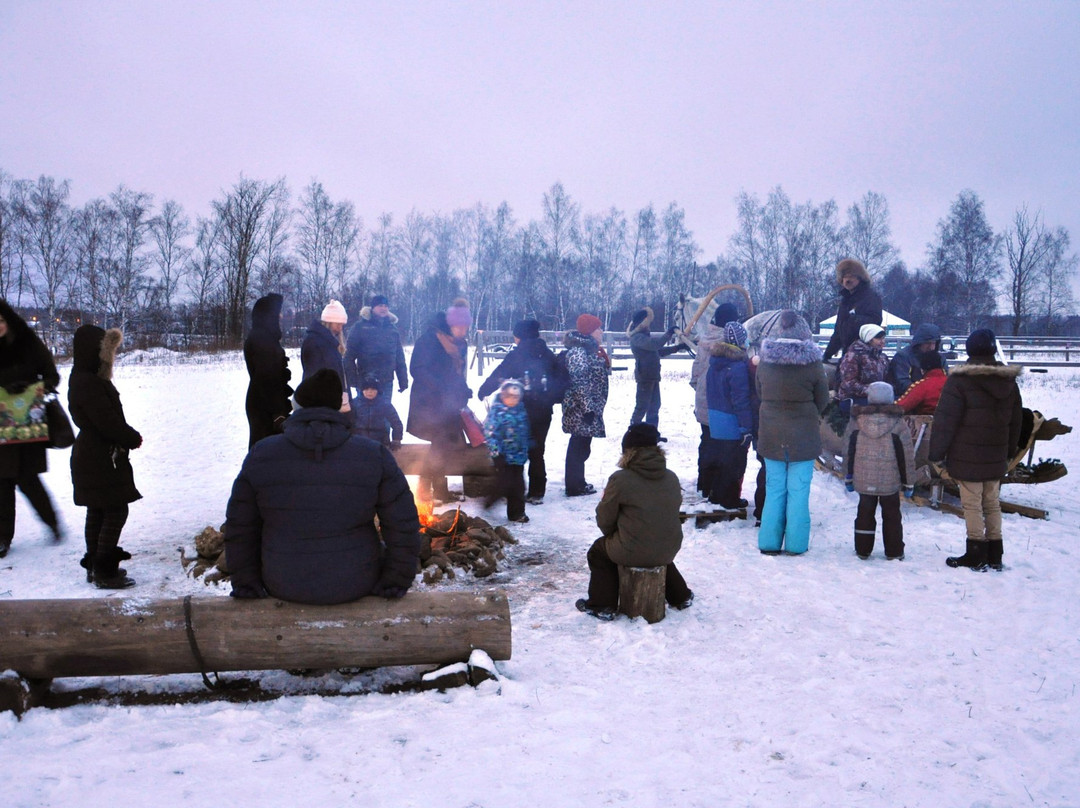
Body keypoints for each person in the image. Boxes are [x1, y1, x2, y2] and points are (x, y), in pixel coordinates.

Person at [225, 368, 421, 604]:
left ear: (297, 409)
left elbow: (240, 526)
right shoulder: (373, 454)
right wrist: (395, 580)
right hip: (357, 580)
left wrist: (246, 583)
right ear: (339, 410)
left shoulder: (262, 454)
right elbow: (403, 524)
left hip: (283, 581)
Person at [575, 423, 693, 620]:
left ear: (627, 451)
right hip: (669, 546)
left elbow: (605, 518)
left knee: (599, 552)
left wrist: (614, 534)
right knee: (653, 547)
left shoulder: (620, 479)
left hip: (634, 548)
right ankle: (680, 595)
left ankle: (602, 605)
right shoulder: (671, 477)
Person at [928, 328, 1022, 571]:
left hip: (967, 455)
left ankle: (976, 553)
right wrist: (1009, 451)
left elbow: (945, 421)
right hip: (996, 455)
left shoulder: (959, 381)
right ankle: (995, 554)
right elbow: (1016, 420)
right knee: (992, 503)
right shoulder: (1008, 381)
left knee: (972, 504)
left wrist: (936, 454)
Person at [67, 325, 143, 588]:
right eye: (107, 351)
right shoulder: (88, 382)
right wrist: (131, 437)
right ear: (95, 352)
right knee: (115, 509)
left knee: (98, 508)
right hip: (99, 456)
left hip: (93, 455)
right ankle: (103, 569)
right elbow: (106, 421)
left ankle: (95, 566)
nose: (110, 357)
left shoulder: (84, 377)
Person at [755, 311, 830, 555]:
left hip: (771, 433)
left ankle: (768, 542)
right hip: (803, 436)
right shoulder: (813, 364)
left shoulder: (765, 362)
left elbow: (760, 392)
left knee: (774, 488)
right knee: (799, 491)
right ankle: (797, 544)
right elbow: (822, 400)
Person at [0, 299, 63, 557]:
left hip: (28, 424)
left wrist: (31, 389)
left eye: (1, 321)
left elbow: (52, 375)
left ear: (10, 321)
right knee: (1, 483)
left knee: (28, 480)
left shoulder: (29, 343)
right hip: (0, 427)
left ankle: (52, 523)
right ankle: (3, 538)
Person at [477, 319, 560, 504]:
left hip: (519, 412)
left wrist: (484, 390)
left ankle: (513, 489)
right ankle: (537, 491)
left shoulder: (518, 354)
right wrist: (550, 398)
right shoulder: (547, 354)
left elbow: (500, 373)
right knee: (538, 450)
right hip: (544, 411)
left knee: (515, 449)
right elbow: (559, 379)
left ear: (520, 336)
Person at [407, 298, 473, 503]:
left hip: (447, 405)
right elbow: (417, 369)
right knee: (440, 445)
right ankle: (426, 491)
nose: (463, 331)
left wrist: (463, 390)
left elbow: (454, 374)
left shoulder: (456, 344)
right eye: (460, 327)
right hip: (428, 403)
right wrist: (441, 388)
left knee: (443, 446)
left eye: (465, 327)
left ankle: (439, 491)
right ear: (450, 325)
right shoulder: (429, 340)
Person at [843, 381, 915, 560]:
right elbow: (906, 455)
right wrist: (909, 482)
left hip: (863, 478)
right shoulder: (898, 424)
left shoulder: (857, 422)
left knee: (864, 512)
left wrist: (848, 475)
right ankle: (894, 551)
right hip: (889, 481)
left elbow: (848, 450)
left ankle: (862, 549)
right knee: (892, 514)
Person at [690, 302, 739, 499]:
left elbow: (696, 370)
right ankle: (720, 491)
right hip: (722, 405)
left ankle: (704, 484)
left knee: (707, 442)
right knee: (724, 448)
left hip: (703, 400)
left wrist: (699, 388)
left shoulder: (705, 338)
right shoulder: (731, 343)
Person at [704, 321, 756, 509]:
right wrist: (746, 428)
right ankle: (730, 499)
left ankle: (716, 495)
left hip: (716, 419)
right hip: (732, 421)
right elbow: (740, 400)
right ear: (741, 341)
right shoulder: (737, 367)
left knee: (721, 460)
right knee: (735, 463)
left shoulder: (715, 363)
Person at [561, 313, 610, 497]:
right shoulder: (578, 353)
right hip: (580, 408)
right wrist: (588, 408)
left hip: (587, 407)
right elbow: (579, 382)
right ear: (589, 331)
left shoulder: (589, 350)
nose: (601, 331)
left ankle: (577, 482)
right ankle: (574, 486)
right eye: (598, 328)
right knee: (578, 446)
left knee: (582, 446)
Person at [243, 293, 293, 448]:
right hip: (265, 406)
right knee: (264, 452)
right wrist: (277, 413)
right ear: (268, 315)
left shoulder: (265, 337)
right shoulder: (261, 339)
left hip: (264, 404)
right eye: (277, 312)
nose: (280, 316)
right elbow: (266, 380)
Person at [626, 306, 685, 428]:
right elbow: (655, 345)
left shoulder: (644, 336)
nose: (649, 325)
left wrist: (678, 348)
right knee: (642, 406)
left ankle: (651, 432)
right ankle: (633, 430)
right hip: (645, 377)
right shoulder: (637, 338)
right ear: (643, 323)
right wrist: (669, 333)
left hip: (652, 376)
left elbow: (658, 351)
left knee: (654, 405)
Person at [343, 294, 408, 404]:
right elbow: (348, 356)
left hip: (386, 382)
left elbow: (399, 357)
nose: (383, 308)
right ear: (373, 308)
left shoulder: (392, 329)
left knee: (385, 415)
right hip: (366, 382)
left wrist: (403, 379)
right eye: (380, 305)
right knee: (365, 416)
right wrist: (353, 380)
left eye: (386, 306)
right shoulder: (360, 327)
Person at [482, 379, 530, 524]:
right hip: (503, 456)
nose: (512, 400)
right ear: (503, 396)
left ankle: (517, 513)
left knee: (519, 486)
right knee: (504, 483)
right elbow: (490, 435)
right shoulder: (497, 413)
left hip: (519, 456)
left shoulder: (520, 411)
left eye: (516, 397)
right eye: (509, 396)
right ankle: (491, 498)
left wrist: (527, 446)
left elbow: (524, 431)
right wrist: (496, 453)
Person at [823, 258, 884, 362]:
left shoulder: (870, 297)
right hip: (848, 356)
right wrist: (828, 354)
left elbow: (875, 321)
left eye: (851, 276)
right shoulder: (845, 301)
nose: (847, 280)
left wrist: (853, 320)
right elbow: (838, 331)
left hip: (866, 356)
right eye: (844, 277)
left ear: (860, 278)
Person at [301, 299, 352, 415]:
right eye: (338, 324)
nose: (340, 328)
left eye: (342, 325)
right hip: (321, 402)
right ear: (328, 322)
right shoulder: (313, 341)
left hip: (333, 399)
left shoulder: (330, 342)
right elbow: (313, 373)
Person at [837, 324, 890, 407]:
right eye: (879, 338)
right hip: (853, 399)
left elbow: (888, 378)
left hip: (878, 398)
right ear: (869, 339)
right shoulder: (853, 356)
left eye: (883, 338)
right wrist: (871, 391)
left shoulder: (882, 357)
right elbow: (848, 383)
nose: (882, 341)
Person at [887, 323, 945, 398]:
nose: (930, 347)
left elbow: (945, 378)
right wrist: (924, 391)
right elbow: (902, 382)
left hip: (934, 397)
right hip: (909, 397)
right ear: (919, 342)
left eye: (933, 343)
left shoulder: (939, 358)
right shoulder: (903, 357)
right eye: (927, 343)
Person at [353, 373, 403, 449]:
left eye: (373, 389)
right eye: (366, 389)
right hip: (359, 442)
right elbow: (346, 423)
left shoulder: (385, 404)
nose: (370, 392)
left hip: (380, 442)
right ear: (361, 390)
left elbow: (396, 422)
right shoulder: (354, 404)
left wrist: (396, 439)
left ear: (377, 390)